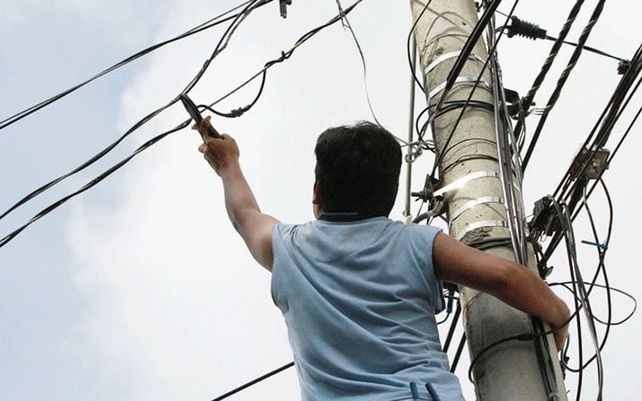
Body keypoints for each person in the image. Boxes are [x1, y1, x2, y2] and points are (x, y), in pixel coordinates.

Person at [195, 120, 570, 401]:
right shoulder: (417, 243)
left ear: (317, 192)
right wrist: (558, 315)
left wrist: (228, 163)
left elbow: (244, 213)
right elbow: (504, 275)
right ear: (389, 197)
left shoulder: (287, 248)